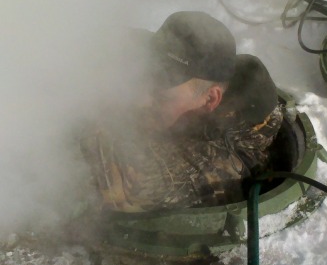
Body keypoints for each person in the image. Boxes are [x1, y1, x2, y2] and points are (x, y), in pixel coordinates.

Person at [81, 11, 283, 212]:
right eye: (142, 80)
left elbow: (126, 185)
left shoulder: (229, 152)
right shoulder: (183, 85)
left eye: (161, 97)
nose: (140, 101)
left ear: (210, 99)